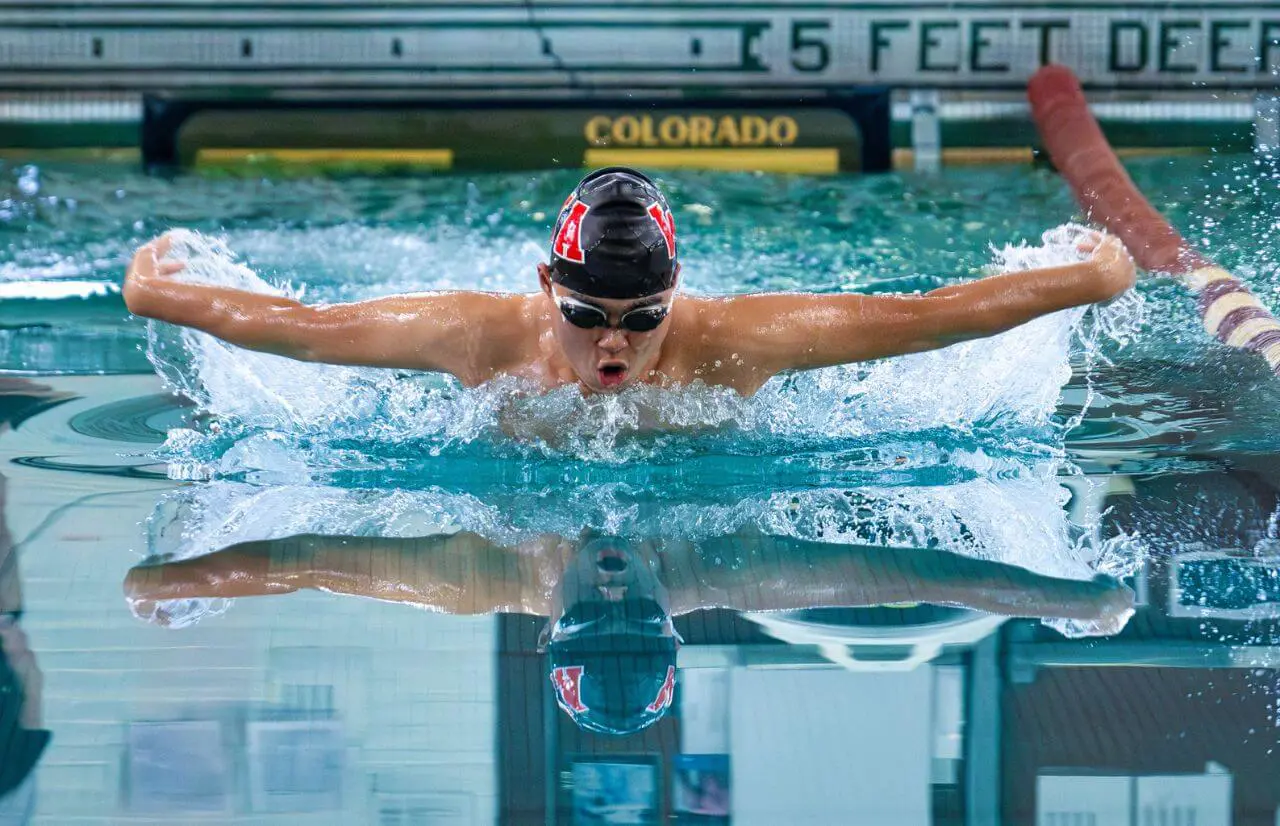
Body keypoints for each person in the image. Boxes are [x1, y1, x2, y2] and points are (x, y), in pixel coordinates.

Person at [123, 167, 1136, 398]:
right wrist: (157, 290)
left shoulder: (731, 339)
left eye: (642, 318)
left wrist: (1083, 276)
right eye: (587, 317)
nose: (614, 343)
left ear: (676, 294)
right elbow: (306, 330)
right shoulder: (475, 336)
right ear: (543, 289)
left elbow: (918, 322)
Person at [122, 525, 1134, 735]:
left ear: (549, 630)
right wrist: (1066, 601)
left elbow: (304, 563)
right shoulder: (730, 572)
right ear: (669, 624)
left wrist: (172, 578)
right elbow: (918, 576)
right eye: (633, 615)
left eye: (595, 615)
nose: (610, 584)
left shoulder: (471, 577)